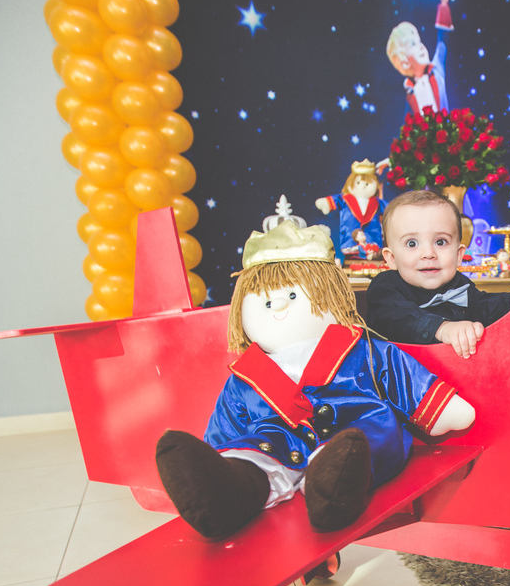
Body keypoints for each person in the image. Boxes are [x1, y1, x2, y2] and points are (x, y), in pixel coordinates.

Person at [154, 220, 475, 539]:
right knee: (250, 455)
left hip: (357, 436)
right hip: (276, 446)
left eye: (292, 295)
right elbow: (225, 431)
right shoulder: (244, 376)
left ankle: (333, 487)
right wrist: (219, 463)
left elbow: (402, 378)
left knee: (353, 451)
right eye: (267, 302)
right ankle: (229, 494)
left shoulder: (362, 349)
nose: (279, 306)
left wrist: (441, 409)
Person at [365, 190, 510, 359]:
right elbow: (396, 317)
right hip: (399, 372)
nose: (428, 253)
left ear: (458, 255)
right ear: (391, 258)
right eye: (412, 243)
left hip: (449, 371)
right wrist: (442, 328)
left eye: (440, 242)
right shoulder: (384, 288)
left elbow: (489, 306)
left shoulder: (460, 285)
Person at [315, 160, 387, 259]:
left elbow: (390, 208)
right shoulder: (346, 199)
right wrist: (326, 203)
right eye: (358, 183)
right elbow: (335, 200)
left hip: (372, 241)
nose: (362, 186)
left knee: (374, 257)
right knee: (351, 259)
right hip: (350, 241)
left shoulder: (376, 202)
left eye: (367, 184)